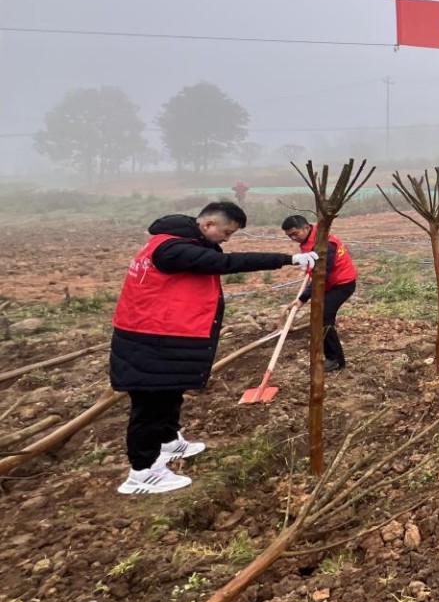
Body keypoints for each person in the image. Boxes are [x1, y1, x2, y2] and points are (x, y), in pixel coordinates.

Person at [111, 202, 317, 494]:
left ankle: (168, 442)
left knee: (170, 393)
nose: (227, 239)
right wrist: (290, 259)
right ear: (208, 225)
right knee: (150, 407)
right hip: (149, 341)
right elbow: (226, 263)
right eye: (227, 232)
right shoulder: (172, 249)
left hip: (163, 337)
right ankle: (142, 472)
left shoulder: (180, 242)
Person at [281, 215, 358, 372]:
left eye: (295, 234)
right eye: (290, 236)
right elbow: (316, 269)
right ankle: (331, 356)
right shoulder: (310, 237)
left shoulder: (324, 243)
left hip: (342, 284)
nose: (293, 238)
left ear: (306, 227)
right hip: (330, 283)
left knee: (323, 317)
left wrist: (302, 298)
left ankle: (335, 360)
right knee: (320, 316)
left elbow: (321, 276)